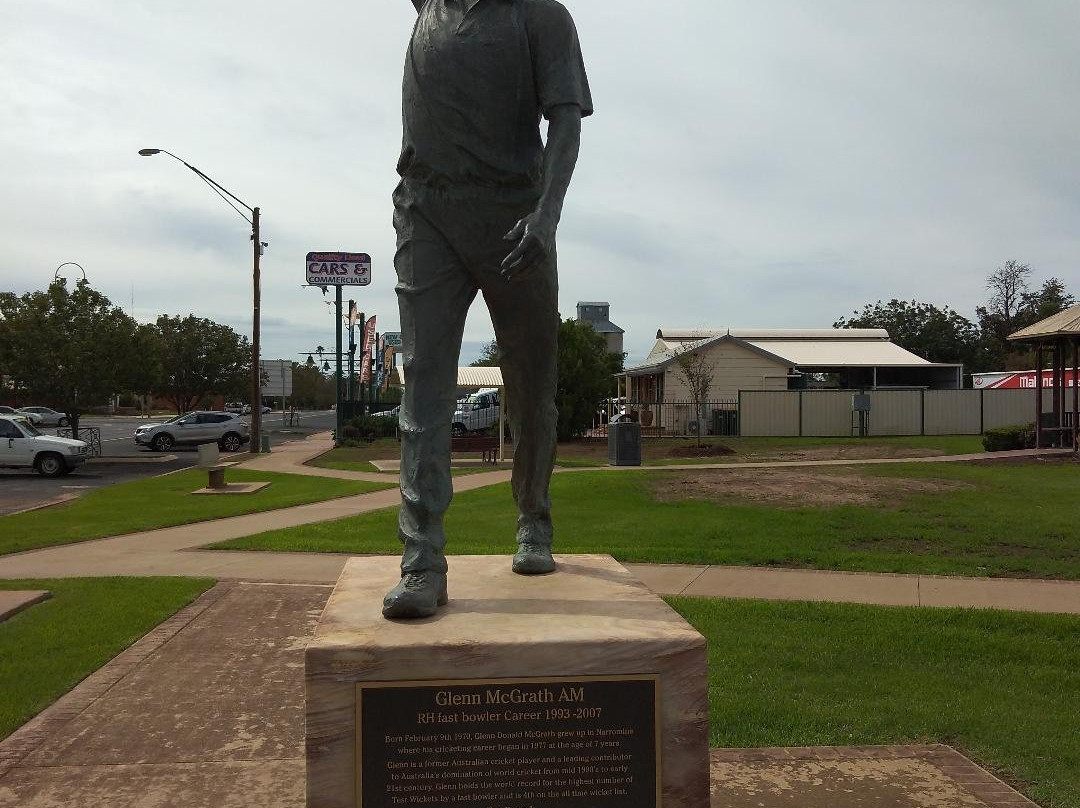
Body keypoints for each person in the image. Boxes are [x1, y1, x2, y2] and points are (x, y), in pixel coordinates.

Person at [383, 0, 592, 618]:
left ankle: (535, 517)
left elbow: (567, 122)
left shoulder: (540, 15)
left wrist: (547, 218)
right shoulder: (426, 10)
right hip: (426, 211)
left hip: (515, 218)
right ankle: (421, 560)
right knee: (422, 385)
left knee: (530, 387)